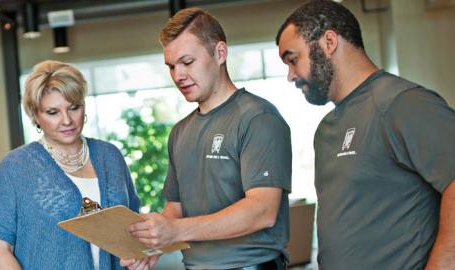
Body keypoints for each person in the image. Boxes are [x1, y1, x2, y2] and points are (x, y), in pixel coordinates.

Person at [276, 1, 455, 269]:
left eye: (293, 59)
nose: (290, 76)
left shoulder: (404, 103)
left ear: (329, 42)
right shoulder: (325, 130)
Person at [123, 7, 292, 270]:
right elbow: (175, 210)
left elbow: (263, 211)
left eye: (187, 62)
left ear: (220, 53)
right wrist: (151, 244)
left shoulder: (258, 118)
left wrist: (176, 230)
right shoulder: (180, 131)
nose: (178, 75)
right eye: (171, 66)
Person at [0, 60, 140, 270]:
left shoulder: (109, 156)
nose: (67, 120)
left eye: (74, 108)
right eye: (53, 112)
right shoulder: (15, 167)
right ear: (35, 115)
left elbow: (134, 226)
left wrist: (139, 256)